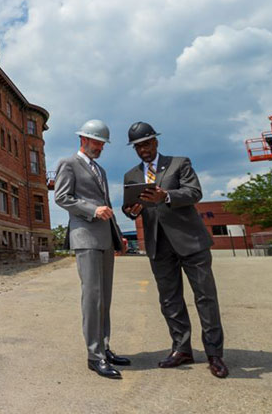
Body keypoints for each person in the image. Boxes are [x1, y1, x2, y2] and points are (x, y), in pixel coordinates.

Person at [122, 122, 228, 378]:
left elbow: (194, 192)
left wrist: (165, 196)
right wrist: (131, 211)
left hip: (191, 242)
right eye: (138, 147)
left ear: (156, 142)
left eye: (146, 144)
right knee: (169, 300)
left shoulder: (179, 164)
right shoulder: (131, 176)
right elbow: (129, 207)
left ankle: (214, 354)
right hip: (159, 245)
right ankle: (182, 349)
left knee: (205, 297)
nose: (143, 150)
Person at [54, 120, 129, 379]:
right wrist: (92, 210)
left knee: (104, 298)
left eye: (103, 143)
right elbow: (62, 197)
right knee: (92, 297)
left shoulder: (101, 170)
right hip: (85, 237)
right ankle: (94, 355)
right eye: (97, 142)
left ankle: (105, 348)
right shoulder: (68, 164)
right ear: (83, 140)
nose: (101, 147)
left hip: (105, 238)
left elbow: (106, 204)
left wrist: (118, 235)